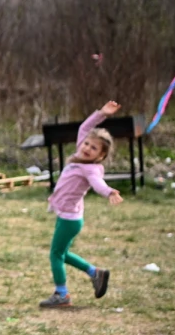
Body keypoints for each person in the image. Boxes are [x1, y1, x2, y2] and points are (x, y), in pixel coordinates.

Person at [40, 100, 125, 309]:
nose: (87, 148)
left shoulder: (92, 169)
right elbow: (84, 128)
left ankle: (62, 295)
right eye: (87, 144)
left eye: (93, 148)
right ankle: (95, 273)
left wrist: (109, 192)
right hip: (66, 216)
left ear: (101, 156)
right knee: (62, 253)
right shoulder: (80, 154)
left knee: (55, 255)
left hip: (70, 220)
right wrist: (102, 113)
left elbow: (98, 184)